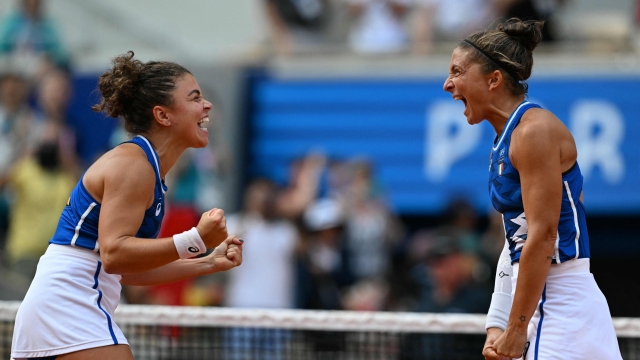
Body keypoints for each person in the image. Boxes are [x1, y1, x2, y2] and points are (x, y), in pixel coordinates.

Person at [10, 51, 244, 360]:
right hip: (69, 299)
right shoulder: (133, 165)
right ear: (163, 115)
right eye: (195, 97)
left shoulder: (148, 170)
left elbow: (127, 271)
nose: (207, 105)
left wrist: (208, 261)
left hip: (67, 297)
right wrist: (195, 240)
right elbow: (115, 254)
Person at [442, 18, 621, 359]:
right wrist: (498, 323)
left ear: (494, 79)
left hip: (560, 306)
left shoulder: (532, 132)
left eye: (457, 71)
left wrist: (516, 329)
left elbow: (543, 236)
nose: (447, 83)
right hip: (552, 303)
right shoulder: (508, 137)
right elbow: (517, 243)